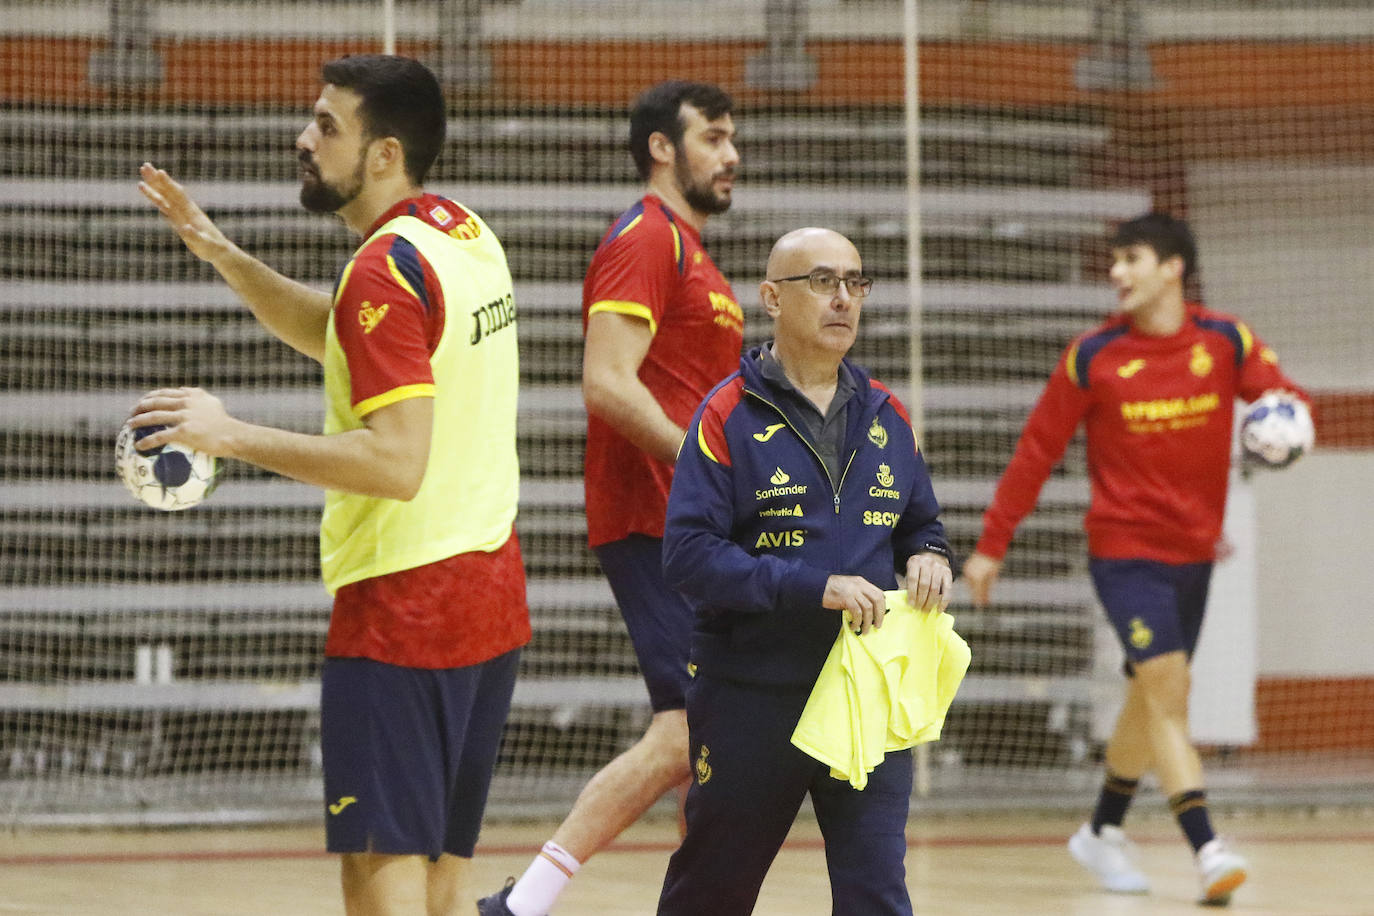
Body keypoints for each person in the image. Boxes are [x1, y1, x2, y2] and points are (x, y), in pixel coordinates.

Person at [130, 54, 529, 916]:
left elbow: (395, 462)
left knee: (381, 876)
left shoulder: (385, 272)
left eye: (326, 126)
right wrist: (221, 251)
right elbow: (346, 333)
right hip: (491, 590)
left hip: (404, 605)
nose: (303, 140)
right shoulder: (458, 232)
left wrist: (227, 434)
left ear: (383, 154)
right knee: (442, 884)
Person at [961, 212, 1308, 906]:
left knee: (1151, 695)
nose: (1117, 273)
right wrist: (990, 547)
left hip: (1195, 556)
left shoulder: (1226, 340)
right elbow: (1036, 452)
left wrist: (1289, 419)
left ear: (1174, 267)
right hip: (1124, 555)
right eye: (1113, 261)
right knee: (1169, 691)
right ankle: (1208, 846)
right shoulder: (1093, 356)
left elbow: (1282, 400)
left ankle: (1100, 831)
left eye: (1132, 259)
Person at [478, 80, 742, 916]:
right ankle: (520, 905)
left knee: (717, 734)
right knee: (690, 731)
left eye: (734, 139)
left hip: (698, 520)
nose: (731, 155)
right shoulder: (645, 238)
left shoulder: (696, 254)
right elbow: (607, 384)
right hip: (656, 518)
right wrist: (705, 466)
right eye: (714, 138)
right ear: (662, 148)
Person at [655, 227, 955, 916]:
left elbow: (921, 524)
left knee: (877, 891)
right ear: (771, 298)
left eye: (855, 283)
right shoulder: (725, 416)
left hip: (867, 693)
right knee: (713, 888)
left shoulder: (889, 415)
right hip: (754, 695)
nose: (843, 299)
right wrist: (810, 587)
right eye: (822, 282)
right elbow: (688, 556)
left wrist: (930, 558)